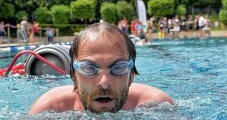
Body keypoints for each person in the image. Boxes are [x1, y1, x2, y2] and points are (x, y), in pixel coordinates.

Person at [29, 22, 174, 115]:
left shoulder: (157, 105)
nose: (104, 82)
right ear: (73, 76)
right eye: (89, 68)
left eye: (119, 67)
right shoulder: (49, 109)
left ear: (131, 76)